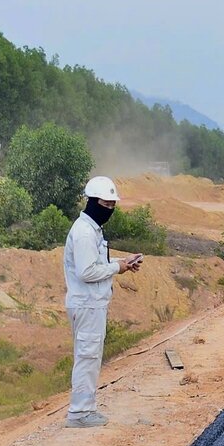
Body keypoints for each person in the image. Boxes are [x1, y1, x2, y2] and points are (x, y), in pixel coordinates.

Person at [63, 176, 142, 429]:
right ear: (93, 201)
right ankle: (80, 413)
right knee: (87, 357)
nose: (109, 210)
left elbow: (95, 264)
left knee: (90, 356)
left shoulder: (92, 228)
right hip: (87, 304)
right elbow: (87, 272)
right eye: (105, 205)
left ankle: (85, 408)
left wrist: (122, 262)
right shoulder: (85, 232)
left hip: (91, 303)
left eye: (112, 205)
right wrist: (118, 268)